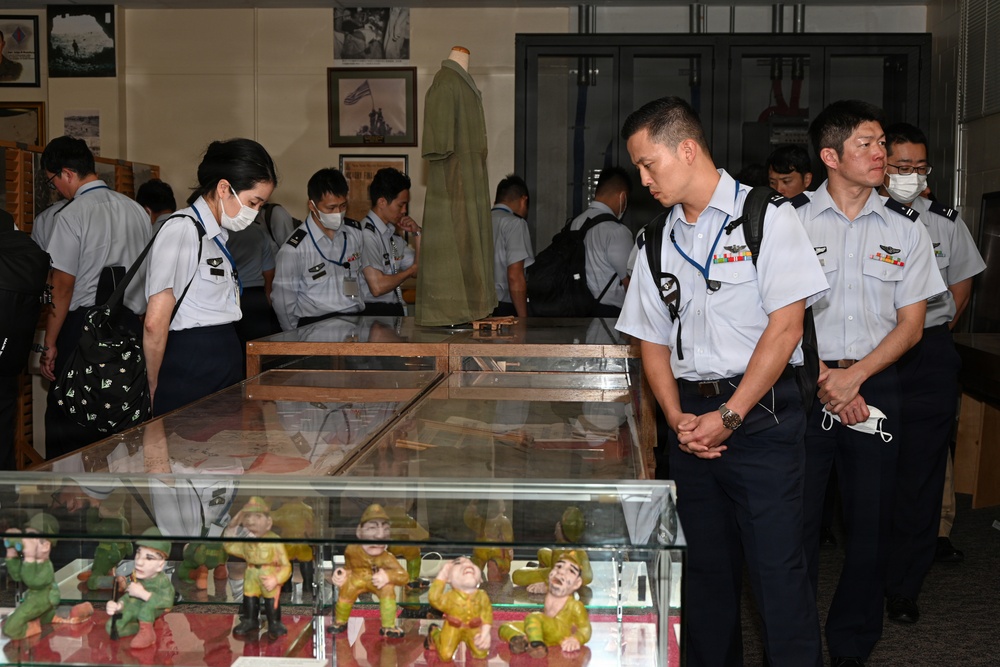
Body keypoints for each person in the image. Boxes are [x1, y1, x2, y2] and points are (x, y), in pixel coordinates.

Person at [616, 96, 827, 667]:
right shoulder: (655, 239)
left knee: (778, 576)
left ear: (687, 149)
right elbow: (651, 340)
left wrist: (730, 414)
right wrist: (675, 418)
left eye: (648, 164)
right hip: (692, 423)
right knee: (703, 580)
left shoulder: (768, 217)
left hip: (761, 417)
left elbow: (786, 328)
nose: (643, 179)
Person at [797, 101, 945, 666]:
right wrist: (826, 379)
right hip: (804, 385)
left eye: (882, 142)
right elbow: (771, 317)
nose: (881, 153)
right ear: (831, 156)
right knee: (795, 524)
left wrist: (854, 378)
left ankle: (853, 645)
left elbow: (912, 326)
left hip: (876, 384)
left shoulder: (906, 228)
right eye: (867, 143)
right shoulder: (790, 222)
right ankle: (795, 644)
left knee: (871, 525)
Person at [878, 122, 985, 625]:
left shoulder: (943, 220)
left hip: (928, 354)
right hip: (870, 356)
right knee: (872, 472)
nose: (912, 175)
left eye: (920, 167)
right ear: (880, 166)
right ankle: (869, 571)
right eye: (902, 167)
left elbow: (960, 286)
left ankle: (905, 584)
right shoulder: (860, 218)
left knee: (922, 474)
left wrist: (931, 333)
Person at [143, 138, 277, 417]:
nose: (254, 213)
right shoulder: (182, 230)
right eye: (253, 202)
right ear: (224, 188)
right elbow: (155, 322)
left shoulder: (215, 236)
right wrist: (153, 387)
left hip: (219, 360)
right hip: (191, 365)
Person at [40, 136, 151, 459]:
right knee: (121, 411)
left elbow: (62, 287)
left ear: (67, 173)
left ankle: (71, 486)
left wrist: (50, 343)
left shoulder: (72, 215)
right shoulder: (136, 210)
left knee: (69, 415)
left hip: (82, 329)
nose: (55, 188)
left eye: (52, 181)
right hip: (129, 326)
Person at [418, 45, 496, 326]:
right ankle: (451, 312)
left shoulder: (462, 83)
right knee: (454, 244)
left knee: (472, 243)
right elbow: (439, 147)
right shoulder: (445, 82)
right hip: (454, 186)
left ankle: (469, 309)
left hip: (469, 184)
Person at [272, 168, 365, 330]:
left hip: (355, 324)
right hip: (316, 326)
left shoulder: (354, 233)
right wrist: (294, 337)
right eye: (331, 208)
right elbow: (283, 302)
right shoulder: (294, 248)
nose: (338, 213)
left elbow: (362, 279)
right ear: (312, 206)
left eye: (343, 206)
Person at [329, 503, 408, 638]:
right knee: (346, 591)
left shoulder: (387, 558)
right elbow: (349, 567)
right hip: (356, 579)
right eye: (372, 528)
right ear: (359, 532)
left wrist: (388, 576)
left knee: (388, 589)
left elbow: (404, 577)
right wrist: (342, 574)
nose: (379, 536)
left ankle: (388, 626)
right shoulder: (351, 550)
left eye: (385, 529)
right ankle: (340, 621)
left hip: (376, 583)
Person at [499, 550, 591, 659]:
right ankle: (521, 641)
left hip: (559, 632)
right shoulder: (550, 589)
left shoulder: (575, 606)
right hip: (544, 629)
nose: (561, 572)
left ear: (577, 583)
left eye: (570, 571)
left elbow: (586, 629)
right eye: (559, 567)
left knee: (534, 617)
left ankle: (537, 645)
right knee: (505, 627)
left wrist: (576, 639)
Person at [568, 166, 634, 317]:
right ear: (622, 197)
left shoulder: (575, 224)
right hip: (610, 315)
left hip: (578, 310)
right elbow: (630, 283)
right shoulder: (617, 231)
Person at [223, 496, 291, 639]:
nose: (251, 521)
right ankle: (250, 620)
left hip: (269, 574)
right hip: (251, 575)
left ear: (269, 522)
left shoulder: (274, 541)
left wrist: (276, 579)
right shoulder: (247, 541)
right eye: (247, 516)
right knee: (249, 598)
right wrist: (233, 525)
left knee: (271, 601)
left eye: (257, 516)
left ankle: (275, 623)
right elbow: (229, 546)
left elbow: (286, 566)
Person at [359, 168, 420, 316]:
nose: (404, 210)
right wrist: (410, 271)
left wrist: (417, 234)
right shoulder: (366, 234)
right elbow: (377, 287)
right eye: (400, 205)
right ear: (382, 202)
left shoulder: (391, 234)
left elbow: (418, 271)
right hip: (372, 312)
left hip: (391, 311)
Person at [105, 528, 175, 650]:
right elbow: (128, 596)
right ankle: (140, 627)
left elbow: (168, 602)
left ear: (160, 565)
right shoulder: (136, 576)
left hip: (150, 609)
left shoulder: (162, 581)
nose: (139, 562)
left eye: (149, 558)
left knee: (146, 608)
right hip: (134, 608)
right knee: (111, 627)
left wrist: (143, 594)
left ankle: (147, 633)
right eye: (138, 553)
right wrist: (118, 606)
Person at [425, 556, 492, 661]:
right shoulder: (450, 596)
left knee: (481, 653)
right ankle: (435, 632)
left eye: (471, 563)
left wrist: (485, 633)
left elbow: (486, 615)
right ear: (449, 578)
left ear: (480, 578)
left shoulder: (482, 596)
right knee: (445, 655)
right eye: (459, 564)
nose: (467, 564)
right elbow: (434, 598)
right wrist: (442, 575)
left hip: (473, 628)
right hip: (453, 628)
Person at [490, 174, 533, 317]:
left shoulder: (480, 222)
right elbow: (515, 276)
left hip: (477, 306)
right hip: (503, 307)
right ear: (523, 200)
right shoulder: (515, 224)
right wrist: (523, 318)